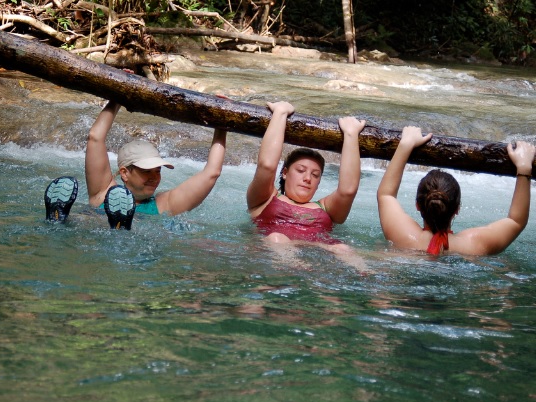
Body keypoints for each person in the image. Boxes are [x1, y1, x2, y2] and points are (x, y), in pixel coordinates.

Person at [45, 100, 227, 228]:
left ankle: (118, 226)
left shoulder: (167, 203)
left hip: (123, 247)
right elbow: (95, 137)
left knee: (98, 222)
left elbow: (211, 172)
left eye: (158, 171)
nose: (155, 177)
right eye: (147, 171)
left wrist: (221, 124)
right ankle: (60, 219)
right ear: (124, 173)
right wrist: (117, 97)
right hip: (95, 241)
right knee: (83, 221)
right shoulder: (103, 192)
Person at [246, 100, 369, 271]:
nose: (307, 178)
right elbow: (266, 166)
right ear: (285, 173)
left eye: (315, 175)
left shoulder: (326, 207)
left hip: (321, 259)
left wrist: (351, 134)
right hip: (277, 260)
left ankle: (368, 276)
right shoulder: (264, 199)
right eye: (301, 170)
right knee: (277, 238)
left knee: (342, 248)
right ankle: (301, 271)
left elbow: (348, 189)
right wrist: (280, 113)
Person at [376, 125, 535, 255]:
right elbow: (516, 220)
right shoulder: (474, 245)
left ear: (418, 205)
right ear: (457, 209)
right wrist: (524, 167)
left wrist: (405, 144)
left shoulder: (403, 236)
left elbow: (386, 194)